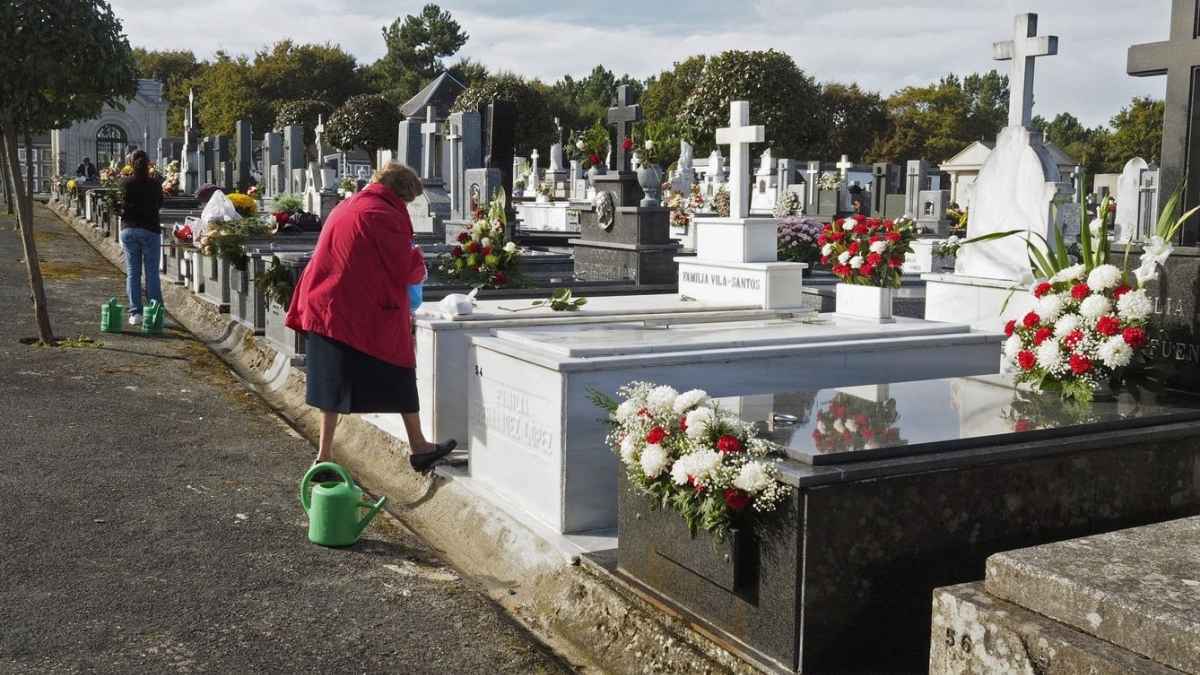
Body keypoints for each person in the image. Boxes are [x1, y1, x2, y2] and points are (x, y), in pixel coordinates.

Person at [286, 163, 456, 476]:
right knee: (399, 369)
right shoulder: (383, 214)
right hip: (350, 308)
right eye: (407, 201)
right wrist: (420, 263)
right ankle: (418, 446)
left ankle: (325, 455)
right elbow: (403, 265)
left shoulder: (349, 205)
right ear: (399, 194)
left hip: (327, 304)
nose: (406, 207)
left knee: (332, 384)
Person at [119, 150, 163, 326]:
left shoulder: (125, 183)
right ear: (148, 164)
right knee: (152, 273)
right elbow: (160, 203)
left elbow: (119, 203)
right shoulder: (155, 184)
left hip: (129, 229)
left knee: (133, 272)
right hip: (150, 230)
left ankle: (135, 313)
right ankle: (154, 311)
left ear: (131, 164)